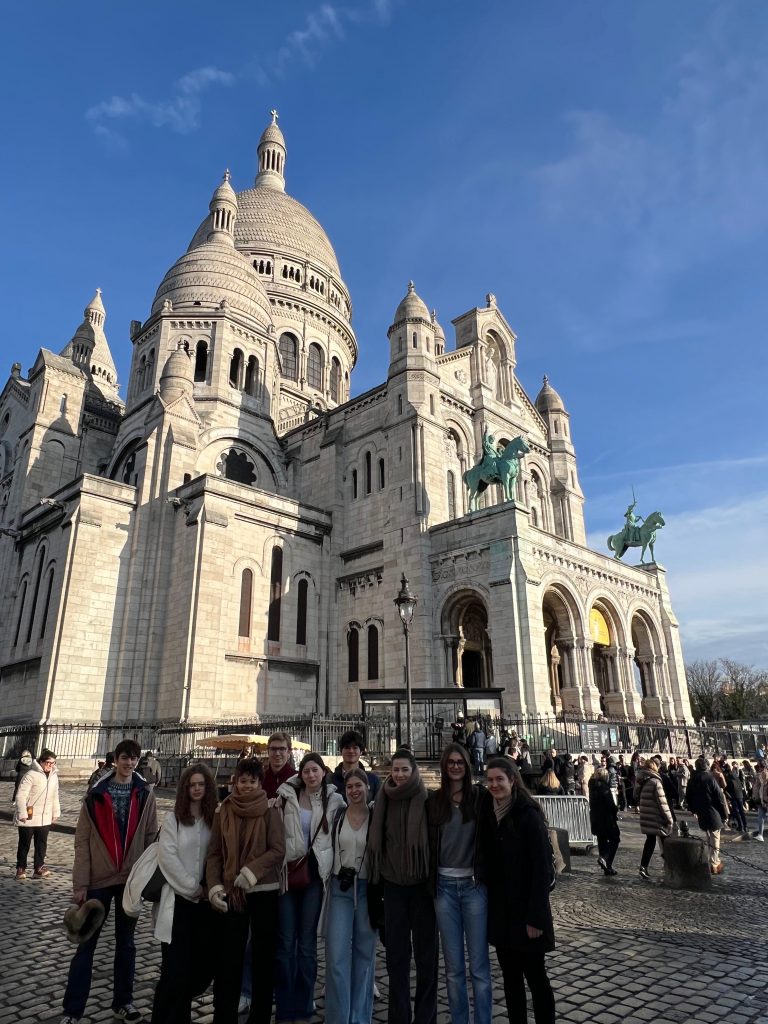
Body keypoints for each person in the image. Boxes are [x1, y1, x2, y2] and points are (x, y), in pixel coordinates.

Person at [60, 738, 158, 1024]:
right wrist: (80, 884)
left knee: (126, 944)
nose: (129, 763)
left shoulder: (146, 794)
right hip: (99, 880)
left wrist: (148, 879)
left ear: (138, 761)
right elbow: (81, 841)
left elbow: (151, 837)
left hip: (130, 880)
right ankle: (72, 1010)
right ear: (116, 759)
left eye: (134, 759)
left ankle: (123, 1002)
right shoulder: (95, 794)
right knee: (86, 944)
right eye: (125, 758)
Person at [204, 757, 285, 1024]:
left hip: (263, 890)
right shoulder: (223, 809)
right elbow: (214, 853)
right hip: (232, 891)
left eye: (252, 781)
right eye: (243, 781)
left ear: (260, 783)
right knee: (229, 959)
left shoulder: (271, 810)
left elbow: (277, 849)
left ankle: (259, 1017)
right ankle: (223, 1016)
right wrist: (215, 885)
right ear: (235, 782)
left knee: (262, 958)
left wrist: (250, 872)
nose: (247, 786)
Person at [481, 757, 555, 1024]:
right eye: (490, 780)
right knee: (511, 982)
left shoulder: (528, 814)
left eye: (499, 779)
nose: (494, 785)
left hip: (527, 914)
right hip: (503, 915)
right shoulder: (489, 812)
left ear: (513, 780)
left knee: (536, 980)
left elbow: (542, 870)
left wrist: (535, 918)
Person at [369, 748, 437, 1024]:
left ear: (413, 771)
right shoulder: (383, 798)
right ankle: (399, 1017)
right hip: (393, 887)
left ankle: (425, 1018)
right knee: (396, 960)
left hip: (422, 888)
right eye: (395, 770)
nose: (398, 775)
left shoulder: (429, 800)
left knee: (426, 960)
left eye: (404, 770)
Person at [276, 752, 344, 1024]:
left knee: (306, 944)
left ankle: (304, 1002)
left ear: (323, 772)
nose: (311, 775)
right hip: (287, 874)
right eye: (307, 771)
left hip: (315, 877)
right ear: (300, 773)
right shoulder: (286, 796)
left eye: (315, 770)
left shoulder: (335, 799)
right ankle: (284, 1004)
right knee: (284, 943)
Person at [427, 743, 491, 1024]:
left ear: (467, 765)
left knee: (479, 966)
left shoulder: (480, 798)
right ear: (444, 766)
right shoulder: (434, 801)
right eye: (450, 762)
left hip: (474, 887)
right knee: (453, 968)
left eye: (460, 762)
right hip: (443, 889)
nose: (455, 766)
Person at [150, 764, 218, 1024]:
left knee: (201, 970)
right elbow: (167, 857)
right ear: (185, 789)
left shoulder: (216, 816)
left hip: (206, 905)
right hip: (178, 903)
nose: (197, 789)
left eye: (201, 784)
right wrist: (193, 887)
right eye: (192, 785)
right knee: (174, 971)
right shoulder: (173, 819)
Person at [324, 768, 378, 1024]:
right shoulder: (337, 814)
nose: (355, 790)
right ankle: (337, 1018)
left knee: (364, 958)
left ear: (367, 787)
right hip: (340, 890)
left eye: (359, 785)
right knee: (335, 957)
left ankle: (359, 1017)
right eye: (350, 787)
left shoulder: (378, 815)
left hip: (368, 890)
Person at [14, 748, 60, 880]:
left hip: (44, 816)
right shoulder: (30, 775)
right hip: (29, 815)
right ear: (41, 761)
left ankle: (38, 867)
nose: (51, 766)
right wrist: (22, 812)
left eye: (53, 763)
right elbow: (21, 795)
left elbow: (55, 795)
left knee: (41, 844)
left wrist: (55, 812)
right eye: (48, 763)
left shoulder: (54, 776)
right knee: (25, 843)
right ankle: (21, 868)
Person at [685, 757, 729, 875]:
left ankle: (713, 860)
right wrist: (724, 814)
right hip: (713, 811)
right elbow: (719, 797)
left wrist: (694, 810)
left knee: (709, 836)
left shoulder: (693, 779)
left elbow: (688, 796)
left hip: (701, 811)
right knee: (715, 837)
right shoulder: (710, 778)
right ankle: (714, 862)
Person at [635, 756, 673, 880]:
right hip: (657, 817)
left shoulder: (640, 781)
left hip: (646, 816)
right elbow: (663, 803)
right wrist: (669, 819)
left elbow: (635, 796)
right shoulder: (656, 782)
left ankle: (643, 866)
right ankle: (672, 867)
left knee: (650, 842)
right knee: (666, 842)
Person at [329, 729, 381, 802]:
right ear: (341, 751)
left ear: (361, 752)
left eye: (355, 748)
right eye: (347, 747)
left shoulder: (373, 780)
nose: (351, 751)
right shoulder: (330, 780)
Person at [588, 768, 619, 875]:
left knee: (602, 841)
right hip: (606, 818)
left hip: (596, 818)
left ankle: (607, 867)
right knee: (615, 839)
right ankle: (605, 859)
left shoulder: (592, 786)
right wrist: (615, 809)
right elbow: (610, 804)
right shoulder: (603, 787)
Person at [262, 732, 297, 800]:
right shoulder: (260, 779)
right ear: (268, 751)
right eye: (273, 749)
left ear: (289, 752)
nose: (277, 753)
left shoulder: (296, 779)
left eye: (282, 749)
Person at [724, 763, 748, 833]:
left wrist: (726, 791)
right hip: (740, 795)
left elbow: (727, 787)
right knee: (741, 811)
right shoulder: (735, 776)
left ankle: (740, 826)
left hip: (734, 796)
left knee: (736, 811)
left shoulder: (729, 778)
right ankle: (745, 826)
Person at [751, 761, 768, 841]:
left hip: (764, 799)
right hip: (762, 798)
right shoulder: (761, 773)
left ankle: (760, 834)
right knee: (760, 817)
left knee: (761, 817)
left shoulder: (763, 773)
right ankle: (760, 834)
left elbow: (763, 785)